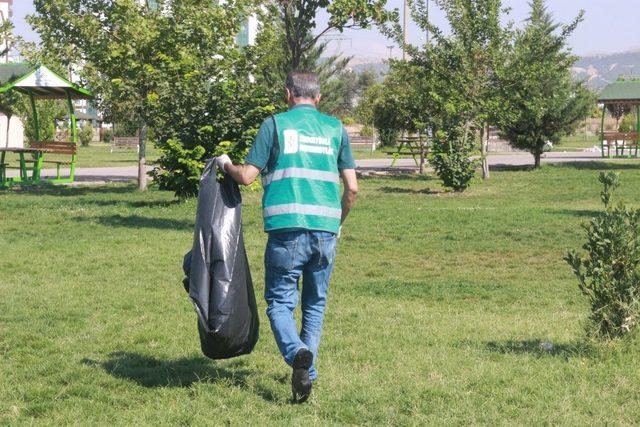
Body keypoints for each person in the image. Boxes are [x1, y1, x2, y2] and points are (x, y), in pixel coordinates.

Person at [215, 71, 358, 403]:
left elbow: (247, 177)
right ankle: (306, 372)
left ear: (288, 95)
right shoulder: (336, 129)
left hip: (286, 230)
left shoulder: (274, 125)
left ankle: (297, 356)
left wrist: (226, 165)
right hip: (325, 230)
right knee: (315, 303)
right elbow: (352, 188)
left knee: (280, 303)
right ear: (318, 98)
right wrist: (337, 222)